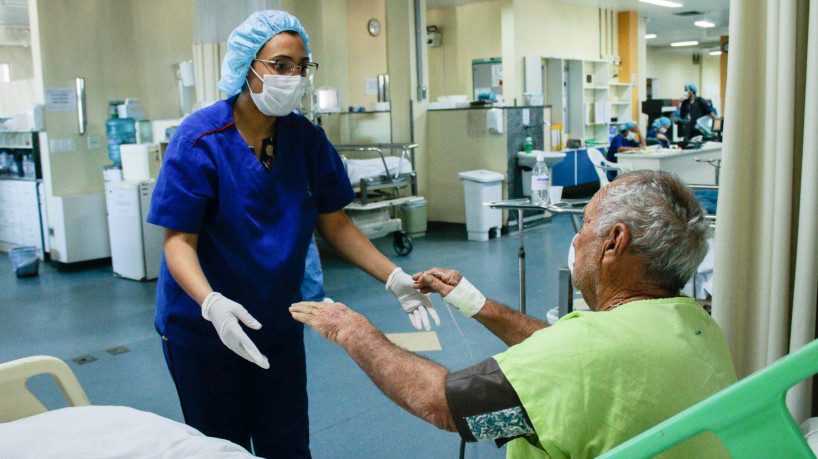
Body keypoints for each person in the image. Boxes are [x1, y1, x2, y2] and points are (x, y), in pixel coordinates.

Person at [147, 10, 439, 457]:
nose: (294, 77)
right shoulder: (200, 139)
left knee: (285, 443)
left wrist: (394, 277)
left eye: (301, 66)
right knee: (220, 447)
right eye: (280, 65)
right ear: (247, 67)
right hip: (204, 327)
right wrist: (212, 304)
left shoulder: (306, 140)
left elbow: (336, 224)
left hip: (278, 320)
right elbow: (178, 242)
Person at [291, 170, 737, 458]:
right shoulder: (698, 327)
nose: (578, 240)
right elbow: (570, 360)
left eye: (584, 224)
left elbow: (442, 406)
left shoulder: (584, 353)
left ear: (614, 242)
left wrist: (353, 331)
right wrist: (474, 302)